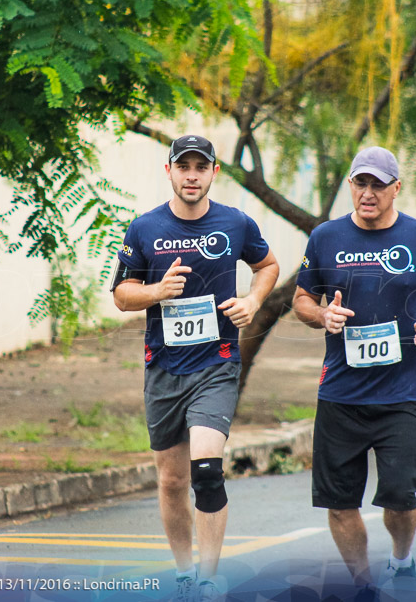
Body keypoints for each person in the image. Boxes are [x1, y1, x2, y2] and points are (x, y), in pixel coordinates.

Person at [112, 135, 280, 601]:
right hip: (164, 367)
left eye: (199, 167)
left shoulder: (235, 223)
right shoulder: (144, 228)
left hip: (216, 364)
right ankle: (185, 573)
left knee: (206, 471)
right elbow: (122, 295)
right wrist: (156, 292)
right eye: (182, 166)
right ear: (168, 171)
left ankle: (209, 580)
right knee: (171, 480)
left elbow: (267, 265)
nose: (191, 175)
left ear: (213, 172)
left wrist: (252, 298)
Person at [292, 146, 416, 591]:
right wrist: (321, 317)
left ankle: (401, 558)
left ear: (396, 189)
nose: (368, 193)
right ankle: (364, 586)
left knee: (401, 498)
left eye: (378, 185)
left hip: (402, 392)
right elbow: (301, 299)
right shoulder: (326, 238)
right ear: (350, 186)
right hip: (341, 394)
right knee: (338, 503)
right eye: (360, 183)